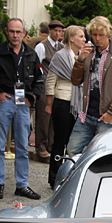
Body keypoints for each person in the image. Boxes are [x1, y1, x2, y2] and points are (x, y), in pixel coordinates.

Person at [0, 17, 43, 200]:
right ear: (6, 31)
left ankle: (22, 184)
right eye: (12, 31)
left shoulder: (31, 54)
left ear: (24, 33)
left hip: (23, 104)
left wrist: (32, 97)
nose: (15, 35)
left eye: (18, 32)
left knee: (22, 145)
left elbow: (39, 79)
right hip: (4, 100)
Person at [67, 15, 112, 155]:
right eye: (94, 35)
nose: (97, 38)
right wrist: (80, 60)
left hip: (106, 115)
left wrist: (111, 112)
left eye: (101, 35)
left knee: (100, 155)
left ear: (108, 35)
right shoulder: (88, 52)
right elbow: (76, 81)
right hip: (86, 114)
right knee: (72, 150)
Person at [44, 24, 85, 186]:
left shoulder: (84, 56)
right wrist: (49, 103)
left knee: (75, 143)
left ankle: (70, 176)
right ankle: (54, 176)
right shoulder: (60, 56)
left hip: (80, 103)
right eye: (81, 36)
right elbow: (50, 81)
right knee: (60, 141)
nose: (84, 39)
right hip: (62, 101)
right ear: (72, 38)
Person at [33, 19, 64, 162]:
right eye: (55, 31)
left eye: (60, 31)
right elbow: (36, 65)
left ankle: (51, 145)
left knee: (55, 117)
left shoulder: (61, 47)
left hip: (58, 86)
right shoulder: (42, 46)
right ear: (50, 31)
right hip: (45, 84)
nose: (57, 33)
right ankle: (41, 146)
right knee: (44, 116)